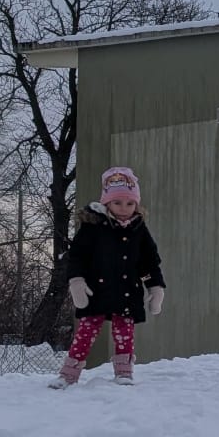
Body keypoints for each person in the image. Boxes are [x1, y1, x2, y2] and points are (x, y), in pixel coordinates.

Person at [52, 166, 165, 388]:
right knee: (86, 332)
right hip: (96, 290)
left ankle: (124, 373)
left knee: (124, 333)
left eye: (130, 203)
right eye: (118, 202)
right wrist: (76, 280)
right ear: (106, 203)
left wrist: (155, 286)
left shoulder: (139, 229)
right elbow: (77, 257)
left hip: (127, 291)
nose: (124, 208)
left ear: (137, 205)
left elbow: (149, 262)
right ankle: (68, 375)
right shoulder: (93, 226)